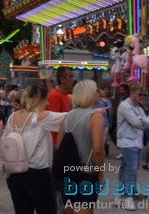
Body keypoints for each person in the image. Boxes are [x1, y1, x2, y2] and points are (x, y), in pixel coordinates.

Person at [3, 84, 67, 214]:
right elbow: (70, 118)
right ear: (39, 100)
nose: (48, 103)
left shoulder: (12, 117)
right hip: (38, 172)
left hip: (14, 172)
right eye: (45, 99)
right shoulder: (40, 117)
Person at [56, 80, 104, 213]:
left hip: (68, 172)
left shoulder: (67, 116)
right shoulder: (95, 117)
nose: (98, 93)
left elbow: (59, 145)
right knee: (85, 209)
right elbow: (98, 150)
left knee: (69, 209)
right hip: (87, 172)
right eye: (96, 90)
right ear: (89, 94)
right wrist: (100, 173)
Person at [115, 83, 145, 211]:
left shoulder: (138, 107)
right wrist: (139, 121)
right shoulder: (125, 105)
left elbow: (144, 121)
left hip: (135, 141)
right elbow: (137, 122)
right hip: (128, 141)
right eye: (140, 94)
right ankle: (128, 197)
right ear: (132, 93)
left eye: (142, 94)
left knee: (126, 167)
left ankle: (119, 195)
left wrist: (139, 121)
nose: (141, 97)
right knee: (131, 168)